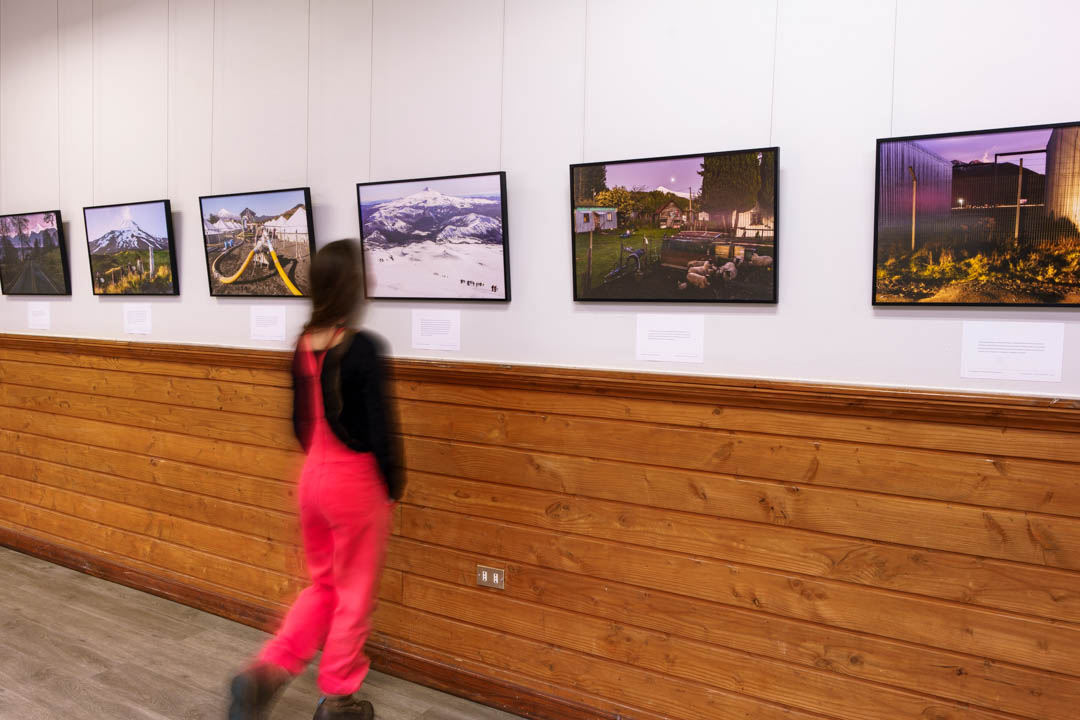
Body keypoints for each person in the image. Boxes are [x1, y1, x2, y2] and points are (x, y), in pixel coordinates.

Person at [228, 239, 403, 720]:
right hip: (355, 484)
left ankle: (266, 671)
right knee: (354, 595)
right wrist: (393, 485)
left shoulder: (303, 345)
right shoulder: (363, 347)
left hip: (313, 480)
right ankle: (339, 698)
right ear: (351, 287)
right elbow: (381, 432)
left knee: (324, 587)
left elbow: (299, 425)